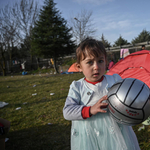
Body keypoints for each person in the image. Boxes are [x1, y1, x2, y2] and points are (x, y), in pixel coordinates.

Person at [63, 38, 140, 150]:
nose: (96, 67)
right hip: (90, 136)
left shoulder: (114, 80)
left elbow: (127, 97)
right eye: (90, 62)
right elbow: (67, 112)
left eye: (100, 61)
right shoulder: (77, 87)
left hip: (117, 132)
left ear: (106, 62)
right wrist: (89, 110)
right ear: (79, 67)